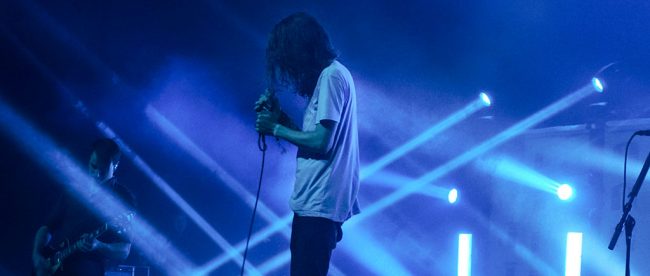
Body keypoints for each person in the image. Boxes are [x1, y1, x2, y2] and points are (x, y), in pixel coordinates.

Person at [255, 12, 360, 276]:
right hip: (315, 205)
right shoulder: (333, 75)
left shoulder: (331, 76)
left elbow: (322, 142)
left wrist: (275, 127)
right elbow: (315, 139)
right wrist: (281, 118)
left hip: (319, 205)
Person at [32, 138, 135, 276]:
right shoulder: (76, 189)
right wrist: (37, 254)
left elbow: (125, 250)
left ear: (115, 165)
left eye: (103, 170)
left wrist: (99, 245)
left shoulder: (123, 198)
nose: (96, 173)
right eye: (93, 166)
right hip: (54, 266)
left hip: (88, 269)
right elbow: (47, 227)